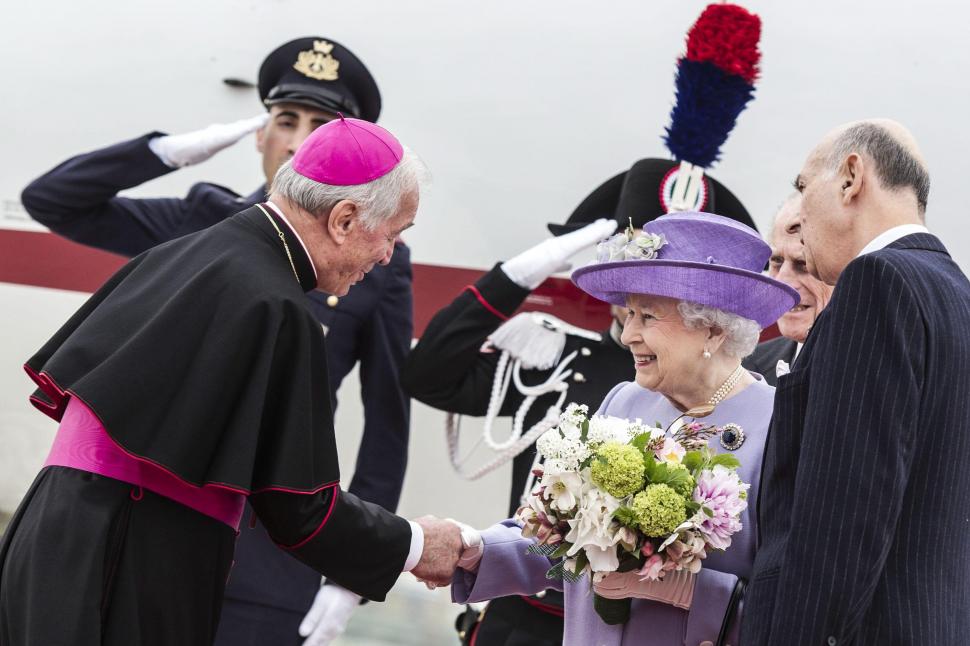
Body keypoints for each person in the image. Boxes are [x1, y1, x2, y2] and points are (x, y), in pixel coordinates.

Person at [0, 117, 461, 646]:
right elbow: (301, 507)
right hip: (128, 563)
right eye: (394, 234)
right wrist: (416, 543)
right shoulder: (277, 304)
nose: (387, 256)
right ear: (345, 218)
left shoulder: (192, 254)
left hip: (56, 541)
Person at [402, 157, 759, 645]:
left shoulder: (777, 420)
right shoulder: (609, 389)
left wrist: (682, 588)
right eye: (629, 308)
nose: (629, 331)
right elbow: (429, 375)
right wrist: (475, 547)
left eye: (648, 314)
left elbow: (794, 592)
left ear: (713, 326)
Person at [741, 120, 970, 645]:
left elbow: (839, 526)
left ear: (850, 178)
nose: (799, 211)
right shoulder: (955, 294)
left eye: (803, 186)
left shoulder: (875, 283)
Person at [742, 194, 833, 386]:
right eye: (777, 262)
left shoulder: (878, 369)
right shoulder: (748, 371)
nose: (782, 281)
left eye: (803, 264)